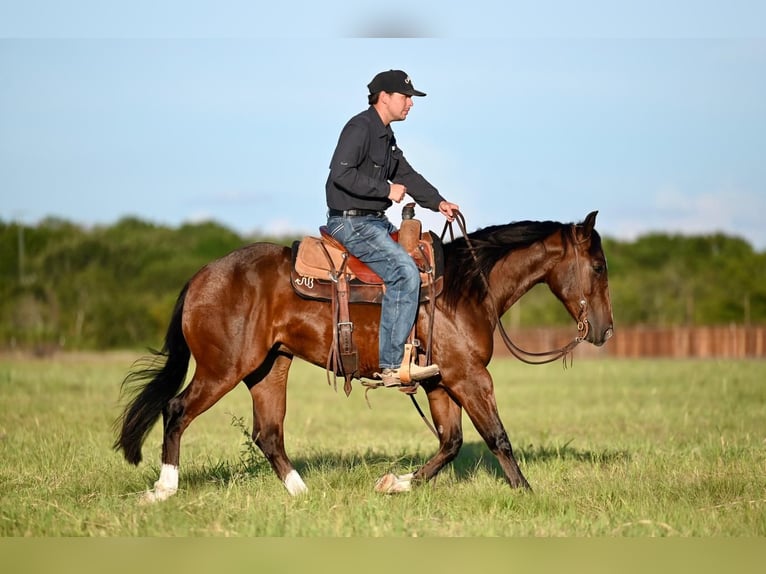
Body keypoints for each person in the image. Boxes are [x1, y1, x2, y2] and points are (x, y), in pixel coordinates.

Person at [325, 69, 460, 387]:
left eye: (411, 98)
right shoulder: (360, 128)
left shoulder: (385, 136)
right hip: (351, 222)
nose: (410, 103)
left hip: (374, 221)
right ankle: (390, 365)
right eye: (406, 96)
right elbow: (340, 175)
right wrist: (386, 190)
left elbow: (406, 174)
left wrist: (438, 202)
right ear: (384, 97)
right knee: (404, 272)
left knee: (421, 263)